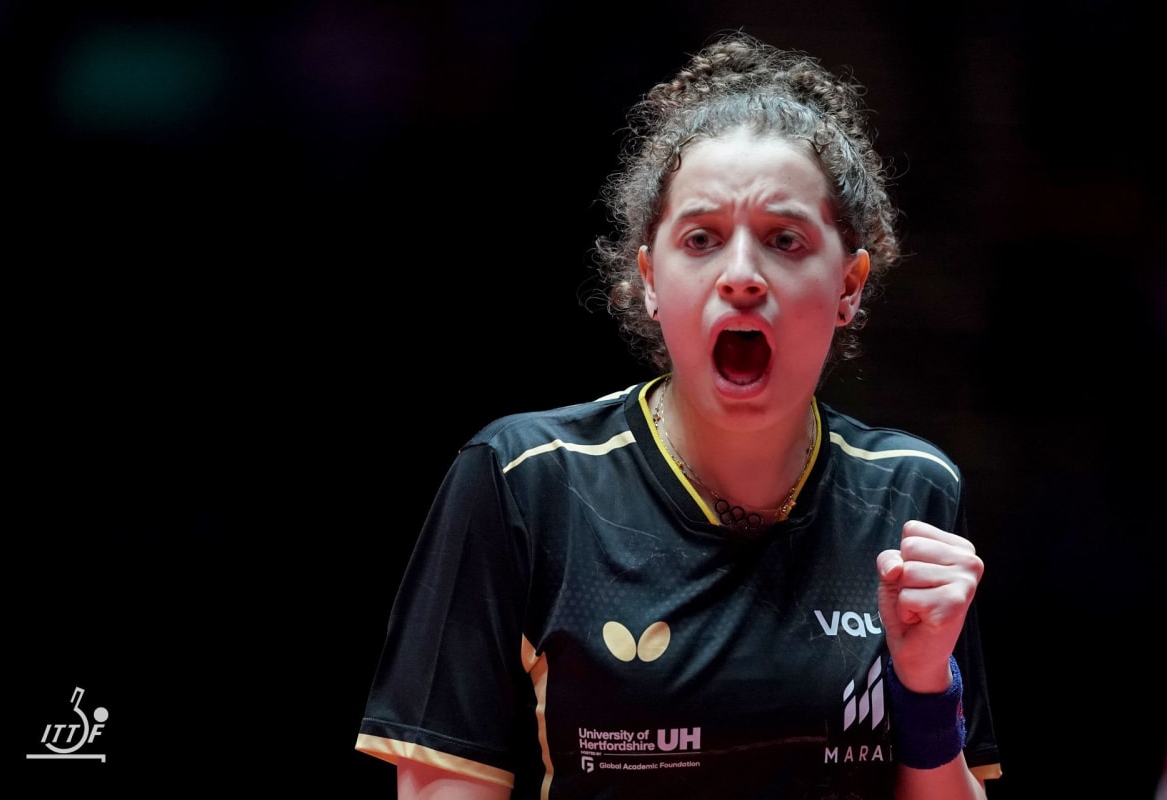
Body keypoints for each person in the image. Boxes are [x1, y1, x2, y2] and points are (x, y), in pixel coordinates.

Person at [355, 30, 1002, 799]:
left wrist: (927, 687)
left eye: (784, 240)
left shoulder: (910, 497)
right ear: (651, 277)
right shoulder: (524, 484)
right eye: (701, 239)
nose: (740, 276)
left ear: (850, 286)